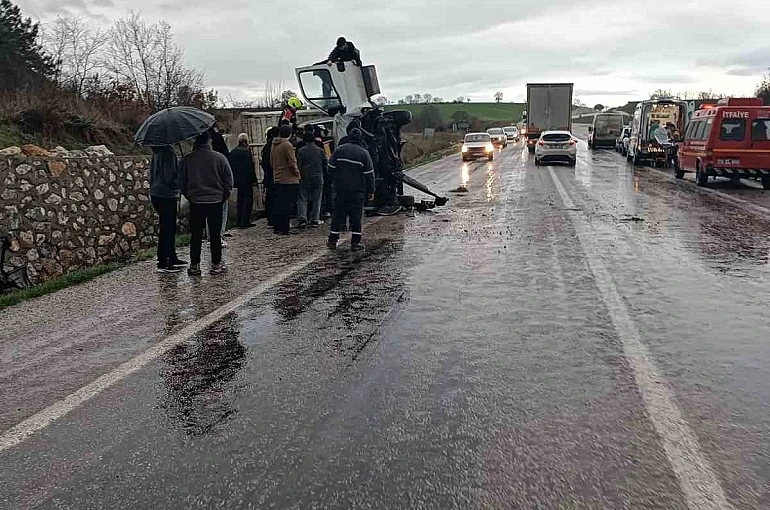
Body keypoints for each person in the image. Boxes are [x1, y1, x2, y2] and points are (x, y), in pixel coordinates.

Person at [179, 130, 234, 276]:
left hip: (196, 201)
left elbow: (182, 182)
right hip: (215, 200)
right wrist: (223, 195)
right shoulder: (219, 158)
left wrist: (189, 195)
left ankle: (194, 265)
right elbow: (228, 181)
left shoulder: (187, 160)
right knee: (215, 235)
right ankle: (216, 265)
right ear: (209, 141)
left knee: (196, 234)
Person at [327, 128, 375, 251]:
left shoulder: (339, 150)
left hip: (341, 189)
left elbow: (330, 167)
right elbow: (369, 174)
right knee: (356, 217)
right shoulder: (364, 153)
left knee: (338, 215)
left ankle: (332, 241)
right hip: (358, 191)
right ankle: (355, 243)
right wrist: (371, 191)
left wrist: (333, 182)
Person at [149, 145, 186, 273]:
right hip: (167, 194)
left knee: (166, 226)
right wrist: (180, 174)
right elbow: (170, 177)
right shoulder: (168, 151)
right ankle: (164, 262)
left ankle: (171, 256)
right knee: (168, 228)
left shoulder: (156, 151)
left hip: (156, 193)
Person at [270, 124, 301, 235]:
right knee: (288, 205)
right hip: (289, 179)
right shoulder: (287, 145)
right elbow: (292, 162)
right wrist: (297, 174)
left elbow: (271, 162)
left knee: (279, 203)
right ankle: (285, 228)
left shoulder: (274, 145)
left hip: (277, 177)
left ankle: (278, 227)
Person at [297, 132, 328, 228]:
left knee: (303, 198)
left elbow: (299, 165)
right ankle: (315, 219)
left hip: (305, 177)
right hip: (318, 176)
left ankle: (302, 219)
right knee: (317, 199)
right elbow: (325, 163)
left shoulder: (301, 151)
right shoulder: (320, 151)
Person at [228, 133, 258, 228]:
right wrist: (254, 180)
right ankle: (245, 221)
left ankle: (239, 220)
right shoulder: (246, 152)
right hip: (247, 180)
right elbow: (250, 168)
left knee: (240, 200)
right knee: (247, 200)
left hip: (237, 180)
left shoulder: (233, 152)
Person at [210, 125, 231, 246]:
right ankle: (219, 236)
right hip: (218, 184)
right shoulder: (218, 141)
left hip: (201, 189)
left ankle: (210, 237)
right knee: (221, 211)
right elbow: (226, 159)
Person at [261, 126, 277, 226]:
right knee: (274, 198)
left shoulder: (266, 146)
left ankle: (270, 218)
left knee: (270, 197)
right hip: (273, 175)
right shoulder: (273, 145)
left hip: (268, 176)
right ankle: (273, 218)